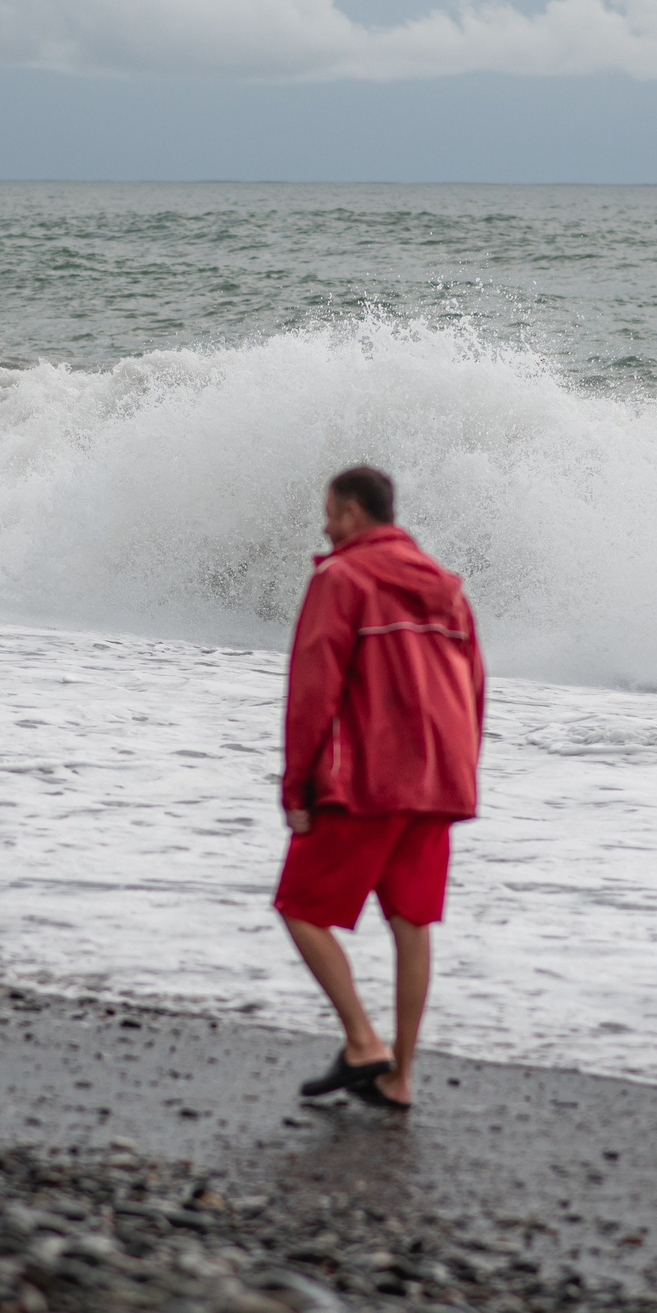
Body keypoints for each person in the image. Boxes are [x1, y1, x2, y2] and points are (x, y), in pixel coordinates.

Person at [274, 465, 485, 1111]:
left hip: (365, 778)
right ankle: (401, 1077)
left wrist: (296, 786)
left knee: (300, 907)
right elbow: (475, 686)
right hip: (438, 779)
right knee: (411, 921)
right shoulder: (445, 585)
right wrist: (461, 771)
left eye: (330, 512)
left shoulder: (341, 577)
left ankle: (364, 1043)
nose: (325, 527)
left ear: (353, 512)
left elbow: (313, 689)